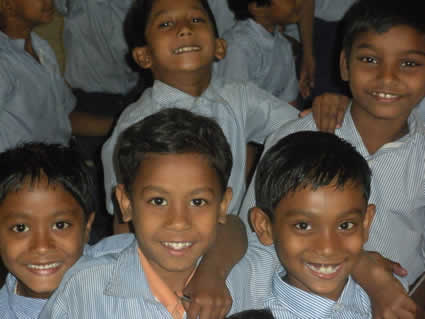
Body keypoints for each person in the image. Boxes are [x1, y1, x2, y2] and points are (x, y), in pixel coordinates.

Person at [240, 0, 425, 316]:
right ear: (344, 65)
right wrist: (359, 267)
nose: (388, 77)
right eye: (370, 59)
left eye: (409, 64)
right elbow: (253, 238)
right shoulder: (296, 137)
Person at [101, 0, 304, 230]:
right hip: (167, 246)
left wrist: (330, 109)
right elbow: (122, 218)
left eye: (196, 20)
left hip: (231, 240)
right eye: (166, 24)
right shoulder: (133, 127)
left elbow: (301, 126)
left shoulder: (238, 98)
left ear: (219, 46)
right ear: (144, 56)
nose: (185, 29)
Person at [39, 108, 245, 319]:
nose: (178, 222)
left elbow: (238, 229)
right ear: (126, 203)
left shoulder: (247, 283)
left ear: (222, 206)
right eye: (158, 201)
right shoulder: (84, 290)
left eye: (197, 202)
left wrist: (215, 272)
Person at [0, 143, 134, 319]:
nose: (42, 246)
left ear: (87, 227)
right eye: (20, 228)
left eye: (60, 225)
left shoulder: (129, 262)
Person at [249, 131, 376, 318]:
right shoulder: (252, 309)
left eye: (345, 225)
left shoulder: (386, 302)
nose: (327, 248)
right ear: (264, 226)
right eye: (303, 226)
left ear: (365, 223)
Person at [0, 0, 115, 154]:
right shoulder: (4, 61)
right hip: (24, 172)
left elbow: (63, 119)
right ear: (7, 5)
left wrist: (120, 124)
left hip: (58, 163)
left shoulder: (41, 47)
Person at [213, 0, 300, 105]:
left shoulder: (283, 45)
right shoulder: (238, 46)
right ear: (256, 8)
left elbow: (290, 102)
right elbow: (234, 106)